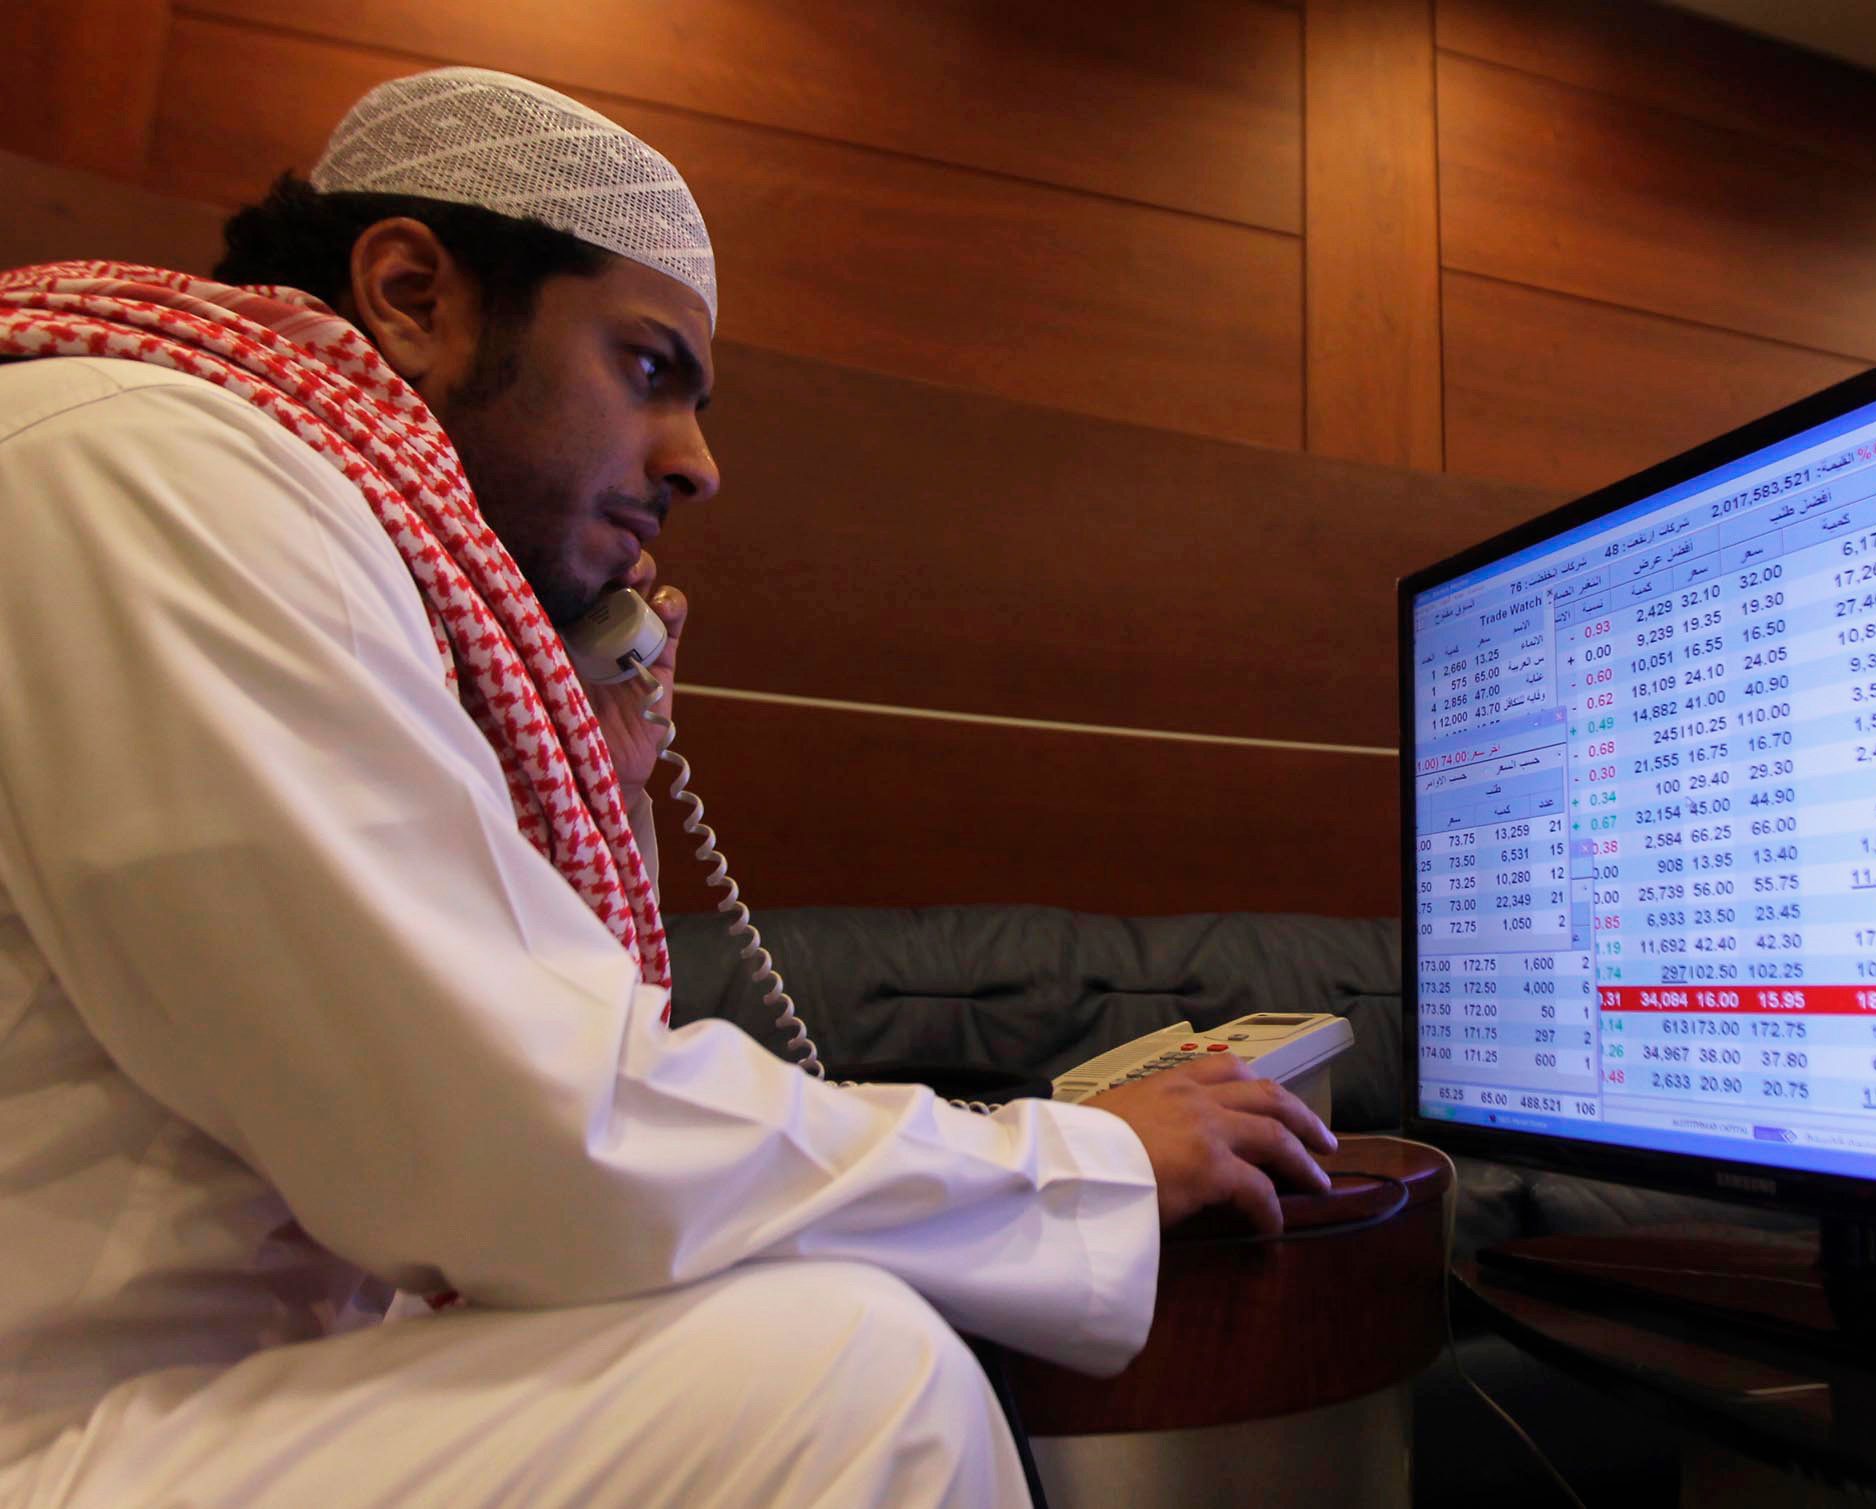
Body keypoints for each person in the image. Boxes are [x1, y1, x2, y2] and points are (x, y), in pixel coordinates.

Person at [0, 67, 1332, 1508]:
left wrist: (600, 762)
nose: (698, 463)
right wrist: (1071, 1164)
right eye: (649, 370)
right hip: (66, 1431)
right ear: (410, 292)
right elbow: (521, 1136)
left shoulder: (284, 504)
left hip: (190, 1397)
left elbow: (531, 1094)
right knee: (849, 1382)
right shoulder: (150, 468)